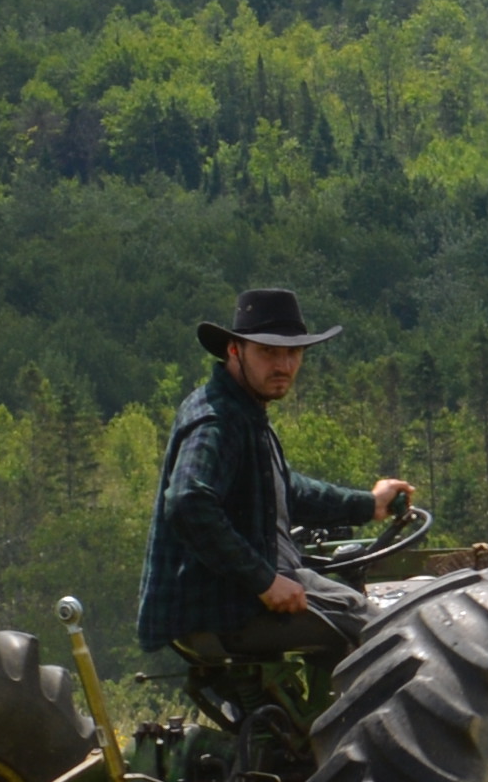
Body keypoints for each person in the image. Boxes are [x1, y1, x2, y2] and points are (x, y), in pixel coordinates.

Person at [135, 286, 416, 708]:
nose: (284, 365)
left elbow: (284, 489)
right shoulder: (216, 419)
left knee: (356, 626)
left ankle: (308, 743)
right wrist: (264, 581)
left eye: (294, 353)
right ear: (235, 350)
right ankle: (355, 752)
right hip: (223, 606)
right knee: (381, 628)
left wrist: (367, 504)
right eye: (269, 352)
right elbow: (189, 502)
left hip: (232, 599)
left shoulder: (245, 412)